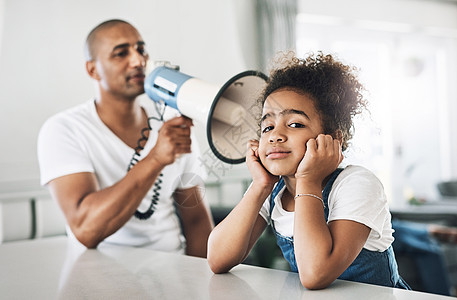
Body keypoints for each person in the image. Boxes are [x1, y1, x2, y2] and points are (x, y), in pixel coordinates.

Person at [207, 52, 410, 290]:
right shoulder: (274, 190)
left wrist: (308, 180)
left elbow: (315, 274)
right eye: (267, 126)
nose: (275, 135)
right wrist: (260, 186)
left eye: (295, 124)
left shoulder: (357, 184)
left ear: (332, 139)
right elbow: (217, 259)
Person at [37, 19, 213, 257]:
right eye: (121, 54)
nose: (138, 61)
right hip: (98, 274)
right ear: (92, 69)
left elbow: (196, 221)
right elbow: (85, 229)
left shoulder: (173, 123)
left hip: (174, 266)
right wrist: (156, 159)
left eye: (141, 50)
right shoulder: (64, 129)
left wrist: (199, 283)